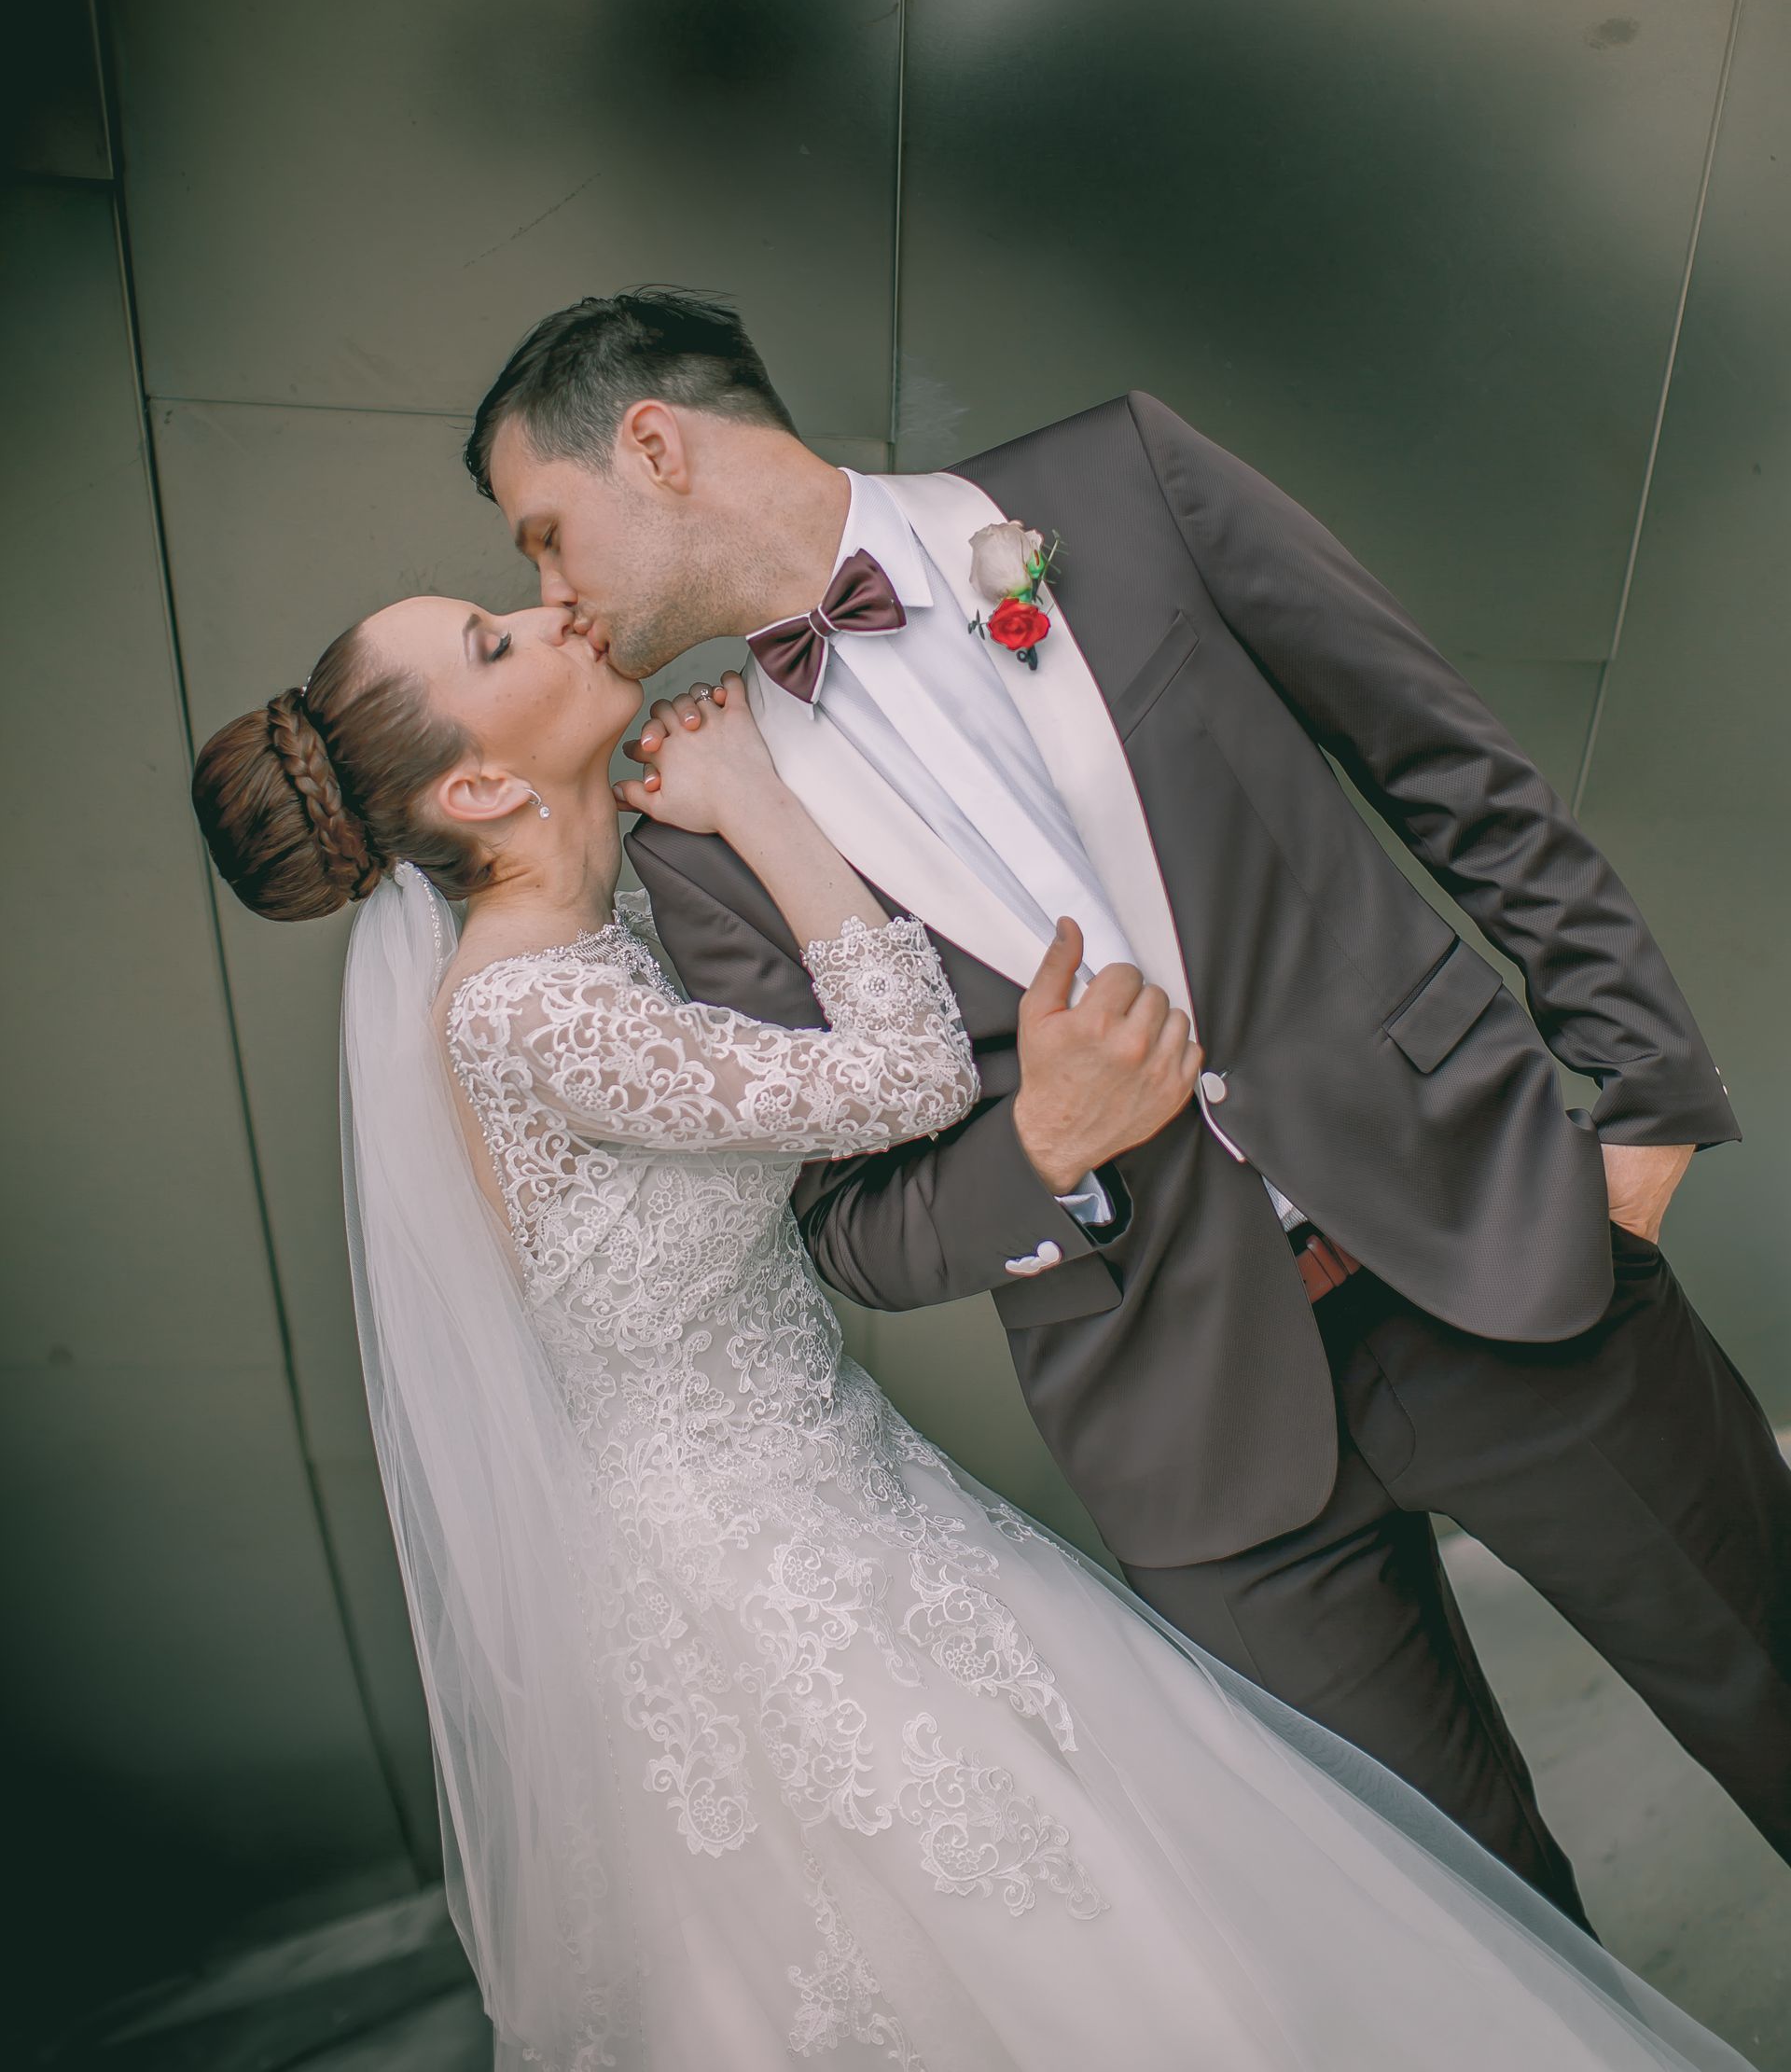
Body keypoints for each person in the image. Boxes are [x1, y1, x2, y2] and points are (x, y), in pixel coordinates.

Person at [194, 603, 1747, 2069]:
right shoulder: (535, 1011)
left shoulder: (595, 956)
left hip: (835, 1506)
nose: (545, 614)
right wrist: (757, 804)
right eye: (492, 638)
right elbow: (909, 1076)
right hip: (763, 1581)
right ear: (476, 782)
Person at [466, 289, 1791, 1934]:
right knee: (1473, 1938)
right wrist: (1042, 1148)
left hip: (1501, 1246)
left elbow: (1448, 766)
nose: (552, 593)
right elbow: (848, 1235)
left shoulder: (1123, 483)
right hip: (1200, 1451)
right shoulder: (701, 832)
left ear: (652, 446)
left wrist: (1647, 1089)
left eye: (546, 532)